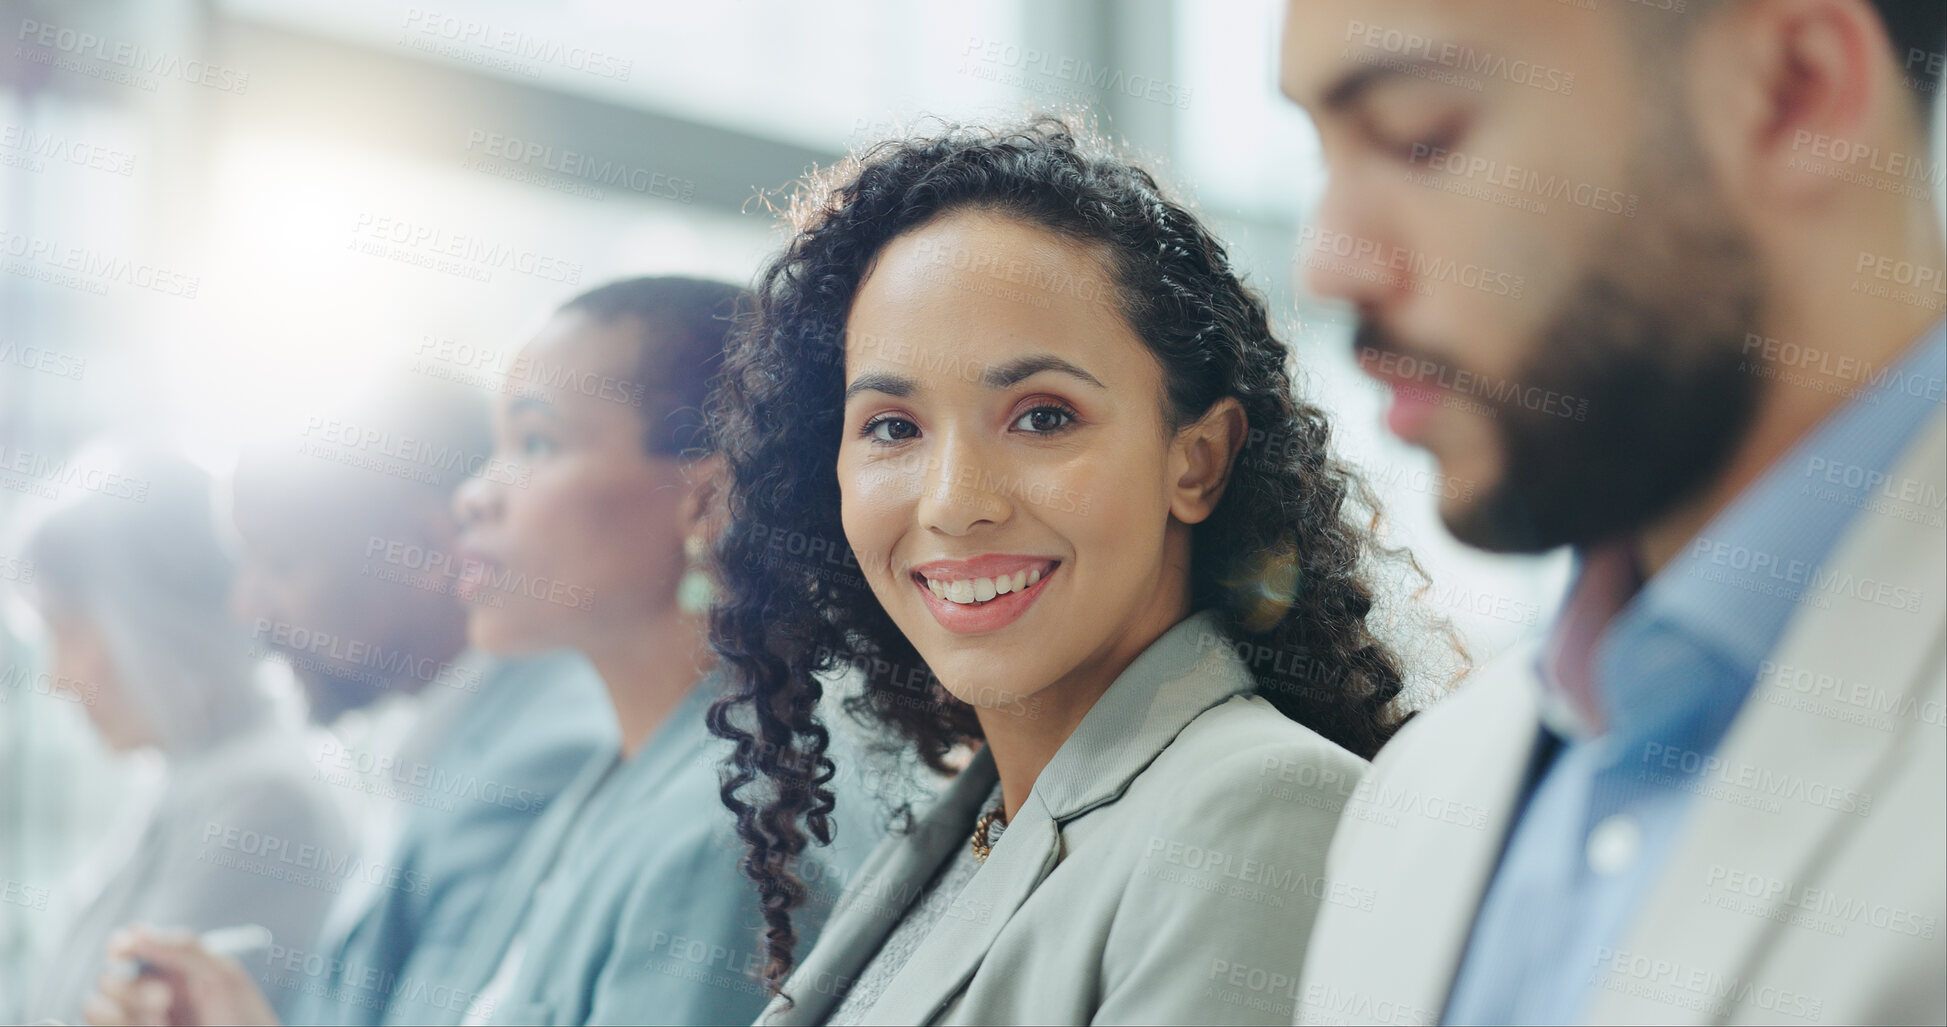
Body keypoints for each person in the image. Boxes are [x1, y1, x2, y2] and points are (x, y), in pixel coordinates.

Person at [1279, 1, 1945, 1023]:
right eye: (1319, 154)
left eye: (1419, 134)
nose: (1325, 262)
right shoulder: (1418, 798)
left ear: (1792, 91)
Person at [707, 119, 1447, 1025]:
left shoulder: (1263, 811)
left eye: (1043, 416)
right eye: (893, 427)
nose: (951, 502)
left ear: (1197, 461)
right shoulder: (971, 821)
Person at [92, 277, 886, 1026]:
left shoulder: (723, 834)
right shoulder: (623, 779)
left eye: (536, 442)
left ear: (705, 499)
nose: (475, 494)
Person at [83, 384, 614, 1025]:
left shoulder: (538, 756)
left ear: (424, 543)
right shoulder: (436, 744)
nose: (246, 608)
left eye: (279, 562)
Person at [15, 450, 349, 1025]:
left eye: (69, 630)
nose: (56, 678)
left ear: (155, 621)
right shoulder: (192, 782)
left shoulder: (263, 803)